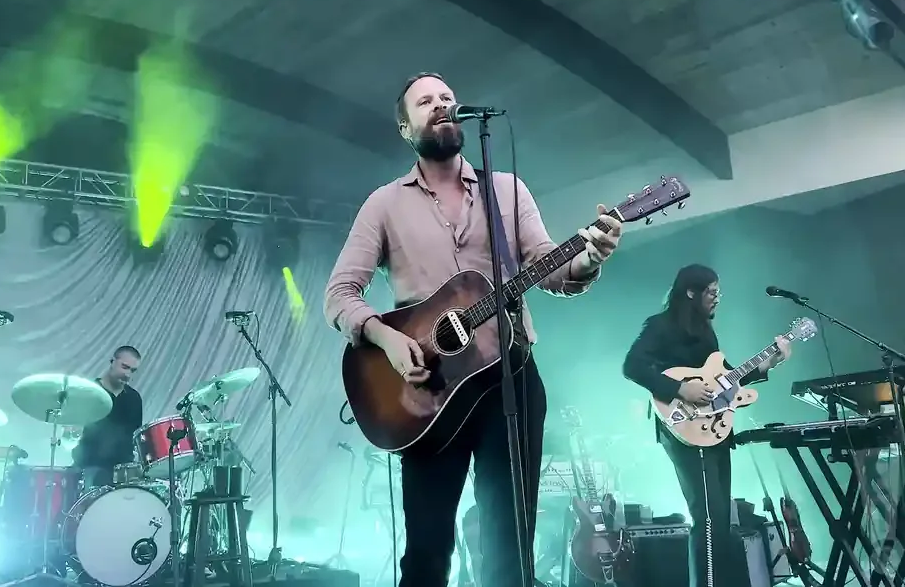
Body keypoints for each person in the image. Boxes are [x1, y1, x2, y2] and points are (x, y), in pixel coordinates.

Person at [324, 72, 624, 587]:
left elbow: (547, 267)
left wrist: (588, 259)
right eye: (425, 102)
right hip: (424, 392)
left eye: (446, 98)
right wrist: (386, 336)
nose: (441, 105)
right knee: (427, 550)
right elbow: (339, 295)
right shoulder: (384, 204)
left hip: (510, 378)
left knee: (509, 544)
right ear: (405, 128)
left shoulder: (505, 190)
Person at [622, 264, 791, 587]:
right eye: (712, 292)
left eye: (718, 292)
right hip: (683, 426)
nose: (717, 299)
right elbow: (632, 366)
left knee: (720, 519)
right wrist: (679, 388)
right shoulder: (661, 326)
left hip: (713, 429)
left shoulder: (705, 332)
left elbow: (725, 378)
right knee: (708, 518)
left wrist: (767, 364)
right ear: (691, 292)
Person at [70, 345, 144, 488]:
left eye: (132, 370)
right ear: (112, 361)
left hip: (122, 475)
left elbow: (135, 440)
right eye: (125, 367)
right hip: (88, 470)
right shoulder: (88, 392)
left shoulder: (134, 399)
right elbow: (71, 431)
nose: (128, 374)